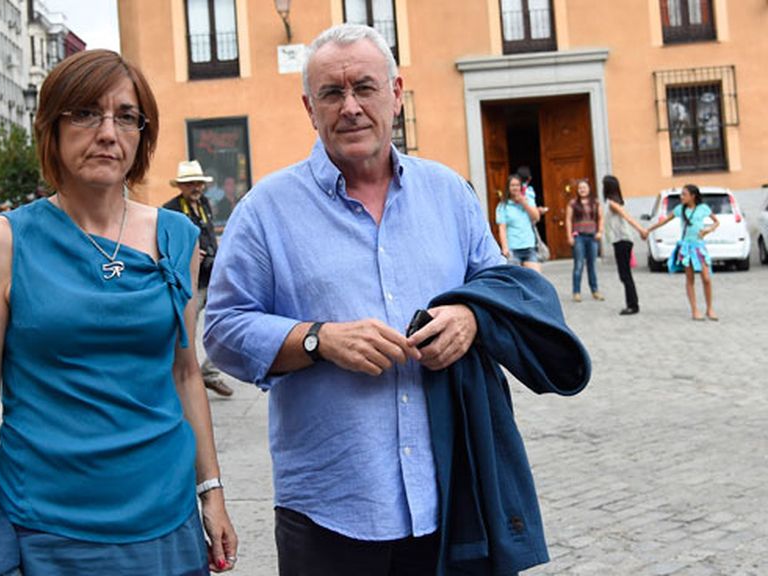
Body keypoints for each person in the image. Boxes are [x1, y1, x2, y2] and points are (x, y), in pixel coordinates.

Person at [203, 24, 579, 576]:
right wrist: (318, 338)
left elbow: (498, 283)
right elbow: (224, 329)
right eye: (332, 93)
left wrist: (470, 316)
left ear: (396, 93)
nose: (350, 106)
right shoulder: (266, 210)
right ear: (310, 107)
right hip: (330, 508)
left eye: (365, 88)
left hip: (452, 495)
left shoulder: (448, 193)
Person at [0, 49, 237, 574]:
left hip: (167, 520)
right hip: (47, 528)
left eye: (126, 116)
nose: (108, 132)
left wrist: (210, 492)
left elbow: (185, 372)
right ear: (50, 128)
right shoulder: (4, 241)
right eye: (85, 113)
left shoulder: (178, 237)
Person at [162, 160, 234, 397]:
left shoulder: (204, 204)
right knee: (186, 333)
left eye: (198, 183)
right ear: (181, 186)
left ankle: (209, 373)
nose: (196, 187)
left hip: (212, 276)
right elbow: (162, 248)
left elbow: (208, 233)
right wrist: (185, 253)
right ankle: (183, 377)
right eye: (190, 183)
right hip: (188, 281)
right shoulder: (170, 210)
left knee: (225, 325)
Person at [645, 183, 719, 321]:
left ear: (693, 196)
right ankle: (695, 310)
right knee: (690, 278)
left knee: (706, 278)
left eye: (684, 194)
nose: (681, 197)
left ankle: (710, 308)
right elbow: (663, 221)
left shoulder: (703, 208)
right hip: (686, 247)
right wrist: (649, 229)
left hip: (699, 246)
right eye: (681, 194)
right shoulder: (680, 209)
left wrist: (708, 230)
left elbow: (716, 222)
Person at [602, 175, 648, 315]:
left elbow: (627, 217)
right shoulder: (617, 201)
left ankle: (632, 305)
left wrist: (641, 229)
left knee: (625, 274)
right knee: (625, 274)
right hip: (622, 241)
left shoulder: (613, 203)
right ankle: (632, 303)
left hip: (622, 241)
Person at [565, 178, 604, 302]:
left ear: (589, 189)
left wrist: (600, 232)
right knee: (579, 264)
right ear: (577, 190)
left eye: (584, 187)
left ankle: (595, 291)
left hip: (592, 237)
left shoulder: (596, 202)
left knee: (592, 264)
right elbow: (568, 219)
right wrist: (569, 236)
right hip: (579, 237)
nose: (582, 190)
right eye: (580, 188)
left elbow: (600, 218)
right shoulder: (572, 203)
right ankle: (576, 292)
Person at [496, 173, 542, 271]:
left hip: (528, 246)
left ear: (521, 187)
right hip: (513, 248)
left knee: (536, 277)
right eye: (512, 185)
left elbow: (536, 217)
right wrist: (504, 247)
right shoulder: (503, 206)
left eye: (517, 185)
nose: (515, 188)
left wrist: (524, 203)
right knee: (516, 280)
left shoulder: (528, 200)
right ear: (508, 187)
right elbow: (502, 228)